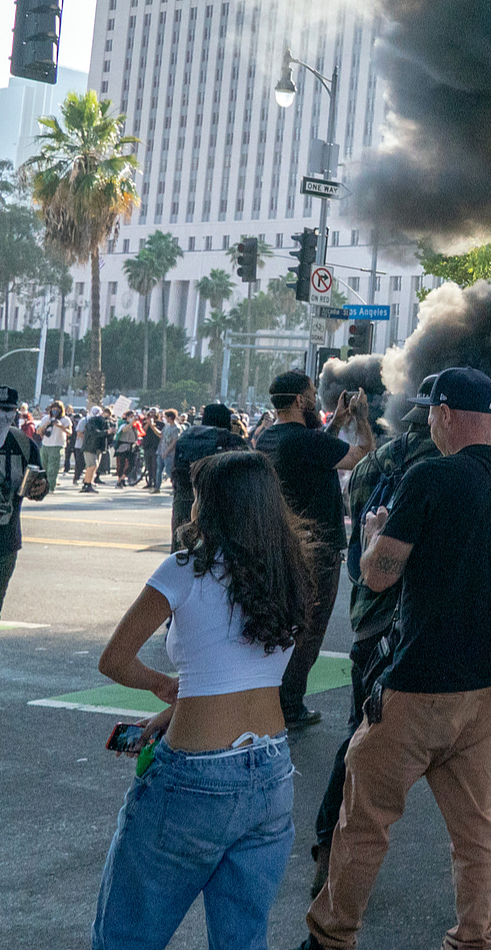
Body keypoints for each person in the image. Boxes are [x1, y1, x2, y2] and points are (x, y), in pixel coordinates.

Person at [301, 367, 491, 950]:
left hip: (423, 682)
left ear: (443, 413)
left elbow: (378, 576)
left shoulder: (430, 476)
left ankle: (331, 936)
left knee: (364, 815)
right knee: (476, 825)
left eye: (433, 412)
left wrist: (375, 534)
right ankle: (473, 937)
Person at [91, 449, 312, 950]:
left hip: (196, 777)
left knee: (126, 935)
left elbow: (115, 660)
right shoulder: (287, 570)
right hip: (272, 770)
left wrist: (163, 686)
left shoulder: (184, 569)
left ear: (213, 506)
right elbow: (246, 670)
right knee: (242, 939)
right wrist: (180, 707)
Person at [258, 371, 370, 730]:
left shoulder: (268, 437)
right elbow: (362, 457)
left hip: (281, 544)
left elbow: (315, 451)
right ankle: (290, 706)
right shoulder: (305, 441)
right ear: (299, 401)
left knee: (284, 626)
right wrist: (361, 419)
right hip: (317, 550)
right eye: (312, 394)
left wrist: (335, 423)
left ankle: (269, 699)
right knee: (309, 631)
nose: (315, 399)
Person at [0, 388, 50, 616]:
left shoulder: (24, 444)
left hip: (6, 541)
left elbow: (40, 485)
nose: (3, 415)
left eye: (8, 410)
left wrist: (40, 487)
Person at [172, 404, 249, 547]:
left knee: (182, 551)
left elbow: (175, 472)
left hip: (184, 502)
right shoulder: (232, 440)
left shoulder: (186, 437)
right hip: (220, 508)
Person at [79, 405, 111, 493]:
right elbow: (94, 432)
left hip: (98, 448)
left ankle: (88, 483)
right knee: (92, 465)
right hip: (90, 447)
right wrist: (106, 432)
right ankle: (87, 484)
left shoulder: (104, 422)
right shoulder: (92, 421)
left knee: (94, 466)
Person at [39, 401, 68, 479]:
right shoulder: (46, 418)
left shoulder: (65, 419)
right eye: (53, 409)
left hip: (57, 445)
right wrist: (46, 424)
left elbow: (70, 432)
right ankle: (44, 484)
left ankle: (51, 485)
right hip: (45, 445)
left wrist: (60, 426)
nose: (55, 410)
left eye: (57, 409)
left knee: (52, 469)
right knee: (44, 468)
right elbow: (38, 431)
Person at [155, 409, 181, 494]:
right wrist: (152, 426)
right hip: (161, 451)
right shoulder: (166, 426)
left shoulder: (176, 428)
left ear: (170, 417)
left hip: (170, 454)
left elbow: (174, 441)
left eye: (166, 417)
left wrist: (166, 452)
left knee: (169, 471)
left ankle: (175, 488)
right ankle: (157, 487)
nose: (165, 419)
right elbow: (161, 435)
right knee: (158, 471)